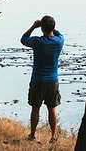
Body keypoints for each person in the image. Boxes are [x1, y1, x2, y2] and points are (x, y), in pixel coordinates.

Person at [21, 15, 64, 143]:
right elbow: (59, 34)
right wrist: (53, 28)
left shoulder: (37, 42)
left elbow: (23, 39)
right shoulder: (59, 41)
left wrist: (33, 26)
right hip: (53, 81)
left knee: (35, 108)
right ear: (53, 27)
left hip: (38, 80)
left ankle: (33, 134)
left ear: (41, 28)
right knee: (52, 108)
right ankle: (54, 136)